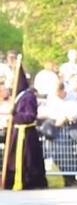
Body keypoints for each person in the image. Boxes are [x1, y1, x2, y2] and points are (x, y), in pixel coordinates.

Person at [2, 60, 47, 190]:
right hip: (18, 133)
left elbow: (30, 116)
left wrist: (15, 115)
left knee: (29, 160)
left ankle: (29, 181)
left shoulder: (28, 97)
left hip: (26, 134)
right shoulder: (19, 97)